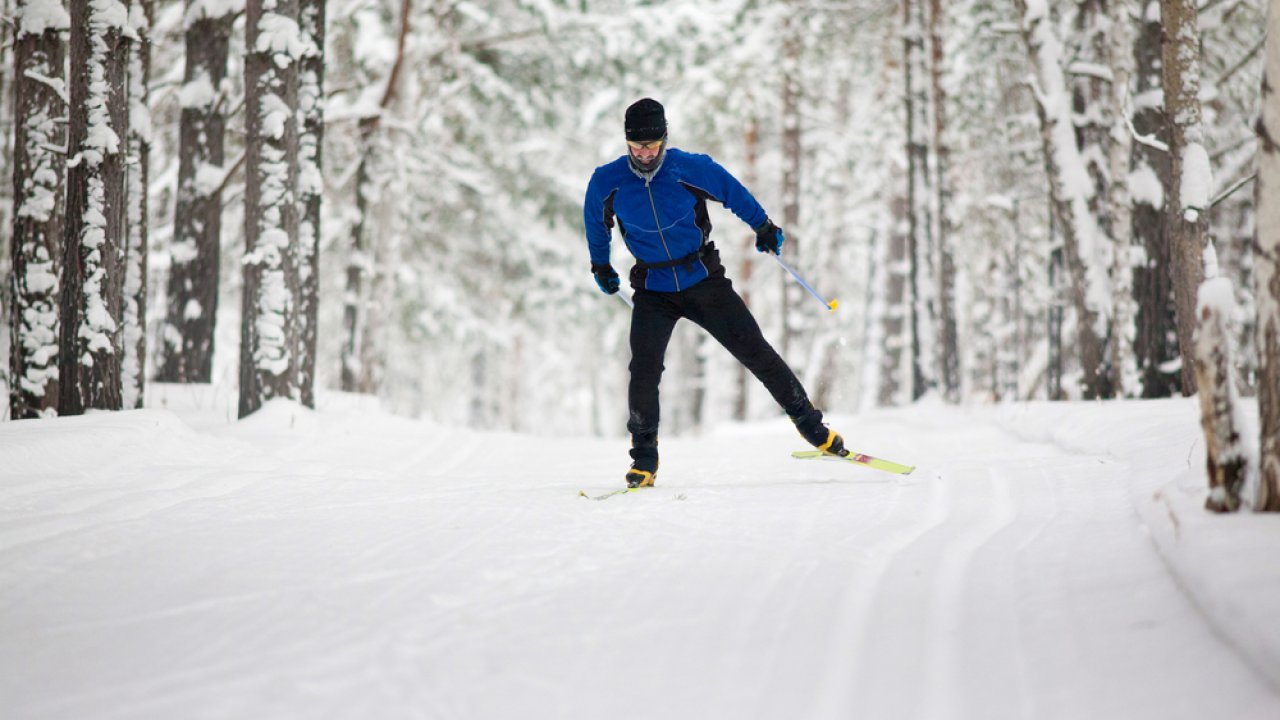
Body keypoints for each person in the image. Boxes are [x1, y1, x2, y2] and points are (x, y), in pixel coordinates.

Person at [582, 97, 846, 488]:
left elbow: (733, 192)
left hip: (703, 279)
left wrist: (763, 226)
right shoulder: (608, 182)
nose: (645, 154)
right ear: (626, 143)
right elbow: (595, 224)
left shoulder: (690, 168)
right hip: (653, 289)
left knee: (756, 352)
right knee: (643, 370)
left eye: (652, 146)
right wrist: (601, 266)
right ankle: (644, 460)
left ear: (664, 140)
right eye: (637, 147)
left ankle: (814, 429)